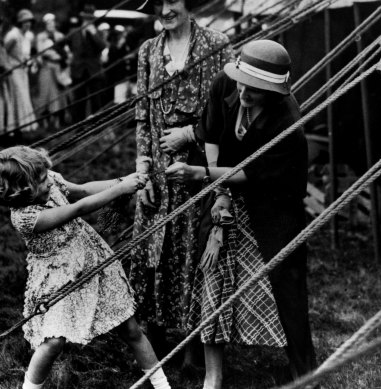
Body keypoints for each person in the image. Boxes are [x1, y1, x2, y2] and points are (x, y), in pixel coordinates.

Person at [165, 40, 317, 386]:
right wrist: (218, 190)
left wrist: (203, 175)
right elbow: (212, 132)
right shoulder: (225, 82)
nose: (245, 92)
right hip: (224, 181)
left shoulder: (287, 121)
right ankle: (207, 368)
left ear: (274, 92)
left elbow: (255, 174)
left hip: (274, 200)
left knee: (285, 280)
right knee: (212, 268)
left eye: (257, 89)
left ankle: (304, 372)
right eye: (242, 82)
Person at [0, 146, 171, 389]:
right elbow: (79, 208)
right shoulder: (24, 218)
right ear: (23, 189)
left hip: (91, 259)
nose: (49, 184)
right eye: (42, 181)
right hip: (57, 274)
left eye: (46, 177)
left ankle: (163, 385)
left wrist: (121, 181)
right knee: (53, 341)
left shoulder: (48, 180)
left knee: (130, 328)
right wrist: (119, 190)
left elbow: (83, 190)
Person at [129, 0, 231, 360]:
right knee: (155, 249)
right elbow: (142, 114)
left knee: (193, 249)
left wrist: (189, 134)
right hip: (158, 169)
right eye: (158, 3)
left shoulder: (215, 44)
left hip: (200, 167)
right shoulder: (148, 51)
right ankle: (155, 333)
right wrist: (144, 170)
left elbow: (226, 107)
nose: (164, 9)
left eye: (171, 0)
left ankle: (193, 344)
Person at [67, 4, 108, 123]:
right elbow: (68, 45)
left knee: (96, 100)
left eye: (90, 19)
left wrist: (94, 33)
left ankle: (96, 126)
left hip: (93, 70)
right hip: (78, 70)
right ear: (82, 19)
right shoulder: (74, 32)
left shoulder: (98, 32)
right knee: (79, 99)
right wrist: (71, 57)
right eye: (86, 18)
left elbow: (102, 46)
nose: (88, 21)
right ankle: (78, 126)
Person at [33, 13, 71, 129]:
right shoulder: (41, 37)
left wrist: (63, 59)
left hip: (59, 69)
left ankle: (57, 120)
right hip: (47, 68)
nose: (50, 24)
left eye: (52, 22)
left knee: (58, 95)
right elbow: (42, 51)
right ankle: (44, 120)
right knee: (45, 94)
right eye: (48, 22)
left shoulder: (60, 36)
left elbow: (66, 51)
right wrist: (54, 55)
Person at [4, 9, 37, 132]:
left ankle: (22, 127)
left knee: (24, 97)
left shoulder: (27, 36)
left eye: (29, 22)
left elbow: (26, 54)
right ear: (19, 23)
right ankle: (14, 128)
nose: (27, 24)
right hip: (14, 71)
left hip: (23, 71)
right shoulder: (13, 35)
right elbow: (4, 53)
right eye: (25, 22)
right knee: (18, 97)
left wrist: (29, 62)